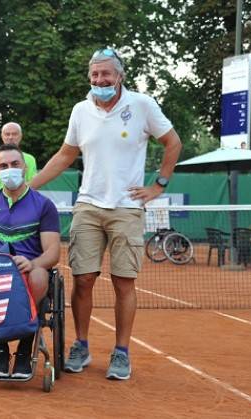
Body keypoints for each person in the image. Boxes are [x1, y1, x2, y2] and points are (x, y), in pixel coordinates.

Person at [29, 47, 182, 380]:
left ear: (120, 76)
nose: (100, 80)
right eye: (95, 75)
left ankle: (121, 352)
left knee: (124, 282)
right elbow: (65, 155)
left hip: (127, 208)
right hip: (88, 206)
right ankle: (81, 345)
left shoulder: (142, 105)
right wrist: (29, 185)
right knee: (83, 280)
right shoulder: (81, 110)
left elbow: (173, 143)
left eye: (106, 74)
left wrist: (158, 186)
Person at [0, 143, 61, 379]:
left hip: (28, 268)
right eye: (4, 166)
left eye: (15, 164)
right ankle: (0, 350)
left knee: (39, 277)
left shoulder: (44, 205)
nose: (10, 170)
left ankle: (24, 350)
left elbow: (53, 251)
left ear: (25, 168)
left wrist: (34, 263)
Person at [0, 122, 38, 194]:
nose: (11, 137)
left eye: (14, 134)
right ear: (2, 136)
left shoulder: (30, 159)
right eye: (7, 134)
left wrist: (20, 199)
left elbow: (33, 183)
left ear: (20, 136)